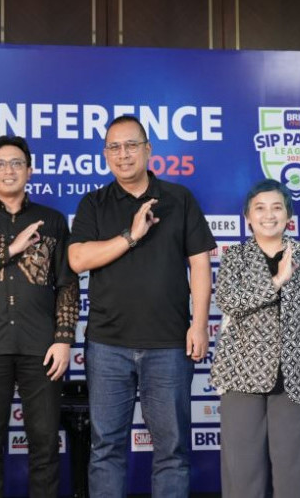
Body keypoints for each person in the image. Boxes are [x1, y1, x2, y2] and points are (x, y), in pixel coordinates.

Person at [68, 115, 215, 497]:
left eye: (131, 145)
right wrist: (130, 236)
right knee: (105, 448)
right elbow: (78, 259)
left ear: (148, 150)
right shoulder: (94, 203)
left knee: (172, 450)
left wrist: (199, 324)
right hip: (108, 345)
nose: (123, 154)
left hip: (169, 344)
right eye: (114, 147)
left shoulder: (179, 198)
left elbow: (200, 263)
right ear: (105, 154)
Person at [0, 135, 79, 497]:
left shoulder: (52, 220)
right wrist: (11, 250)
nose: (9, 170)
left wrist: (63, 338)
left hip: (41, 347)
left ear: (30, 171)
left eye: (17, 163)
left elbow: (67, 284)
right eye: (0, 164)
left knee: (45, 444)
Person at [210, 179, 300, 498]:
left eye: (276, 207)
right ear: (248, 217)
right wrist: (277, 281)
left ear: (288, 215)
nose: (268, 215)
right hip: (241, 376)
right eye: (260, 208)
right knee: (242, 474)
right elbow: (228, 301)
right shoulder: (235, 257)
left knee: (299, 475)